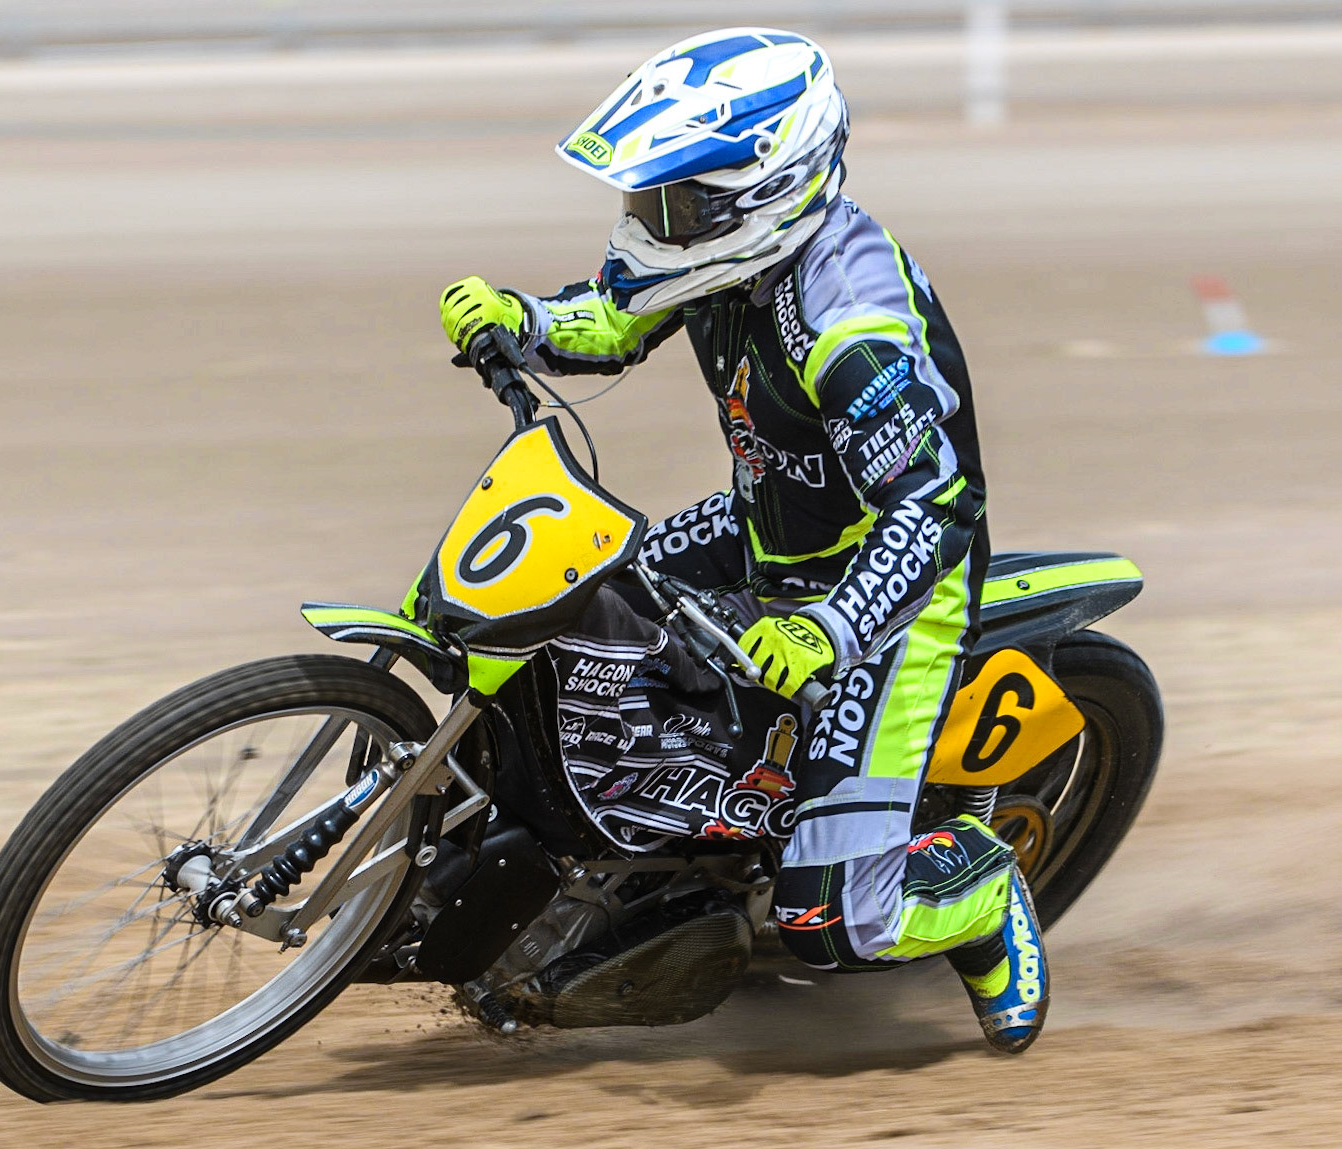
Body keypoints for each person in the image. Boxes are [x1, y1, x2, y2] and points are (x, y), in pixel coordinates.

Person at [437, 28, 1047, 1054]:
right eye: (644, 197)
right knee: (566, 616)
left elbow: (934, 509)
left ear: (762, 193)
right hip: (765, 525)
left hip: (886, 584)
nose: (647, 222)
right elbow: (616, 321)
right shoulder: (722, 251)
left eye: (671, 205)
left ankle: (979, 894)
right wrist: (523, 320)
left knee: (834, 921)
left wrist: (830, 630)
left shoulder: (848, 322)